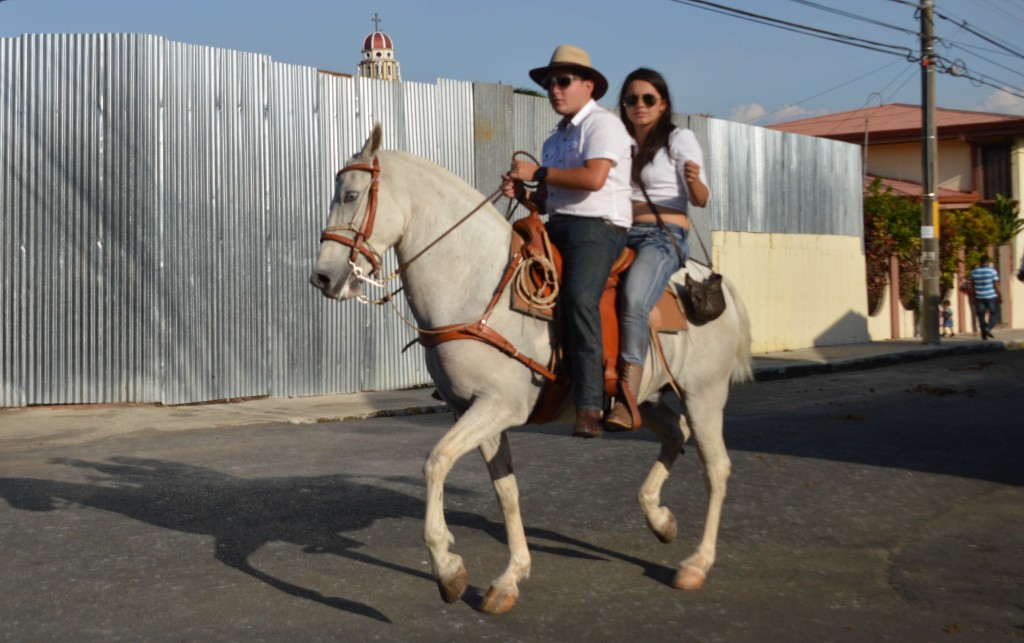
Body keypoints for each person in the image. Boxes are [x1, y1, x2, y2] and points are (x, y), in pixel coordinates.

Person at [502, 45, 633, 439]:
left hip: (598, 228)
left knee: (579, 298)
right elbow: (550, 197)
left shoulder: (603, 125)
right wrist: (524, 194)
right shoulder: (553, 139)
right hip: (559, 225)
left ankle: (591, 402)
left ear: (588, 85)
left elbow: (593, 179)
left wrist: (540, 172)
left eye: (563, 81)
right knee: (509, 278)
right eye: (549, 83)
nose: (554, 89)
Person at [604, 68, 709, 432]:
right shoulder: (619, 142)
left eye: (648, 99)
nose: (639, 105)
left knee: (633, 298)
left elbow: (701, 199)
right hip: (620, 232)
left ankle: (627, 394)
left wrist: (695, 183)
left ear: (663, 105)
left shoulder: (679, 139)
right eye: (631, 99)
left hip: (663, 236)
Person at [969, 255, 1001, 339]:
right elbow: (996, 284)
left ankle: (983, 335)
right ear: (987, 262)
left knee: (981, 315)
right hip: (991, 296)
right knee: (995, 313)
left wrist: (973, 296)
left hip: (979, 297)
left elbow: (972, 285)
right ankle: (988, 328)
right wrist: (1000, 295)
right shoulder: (992, 271)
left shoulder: (974, 272)